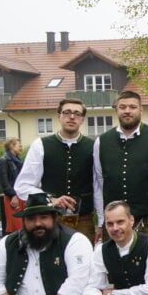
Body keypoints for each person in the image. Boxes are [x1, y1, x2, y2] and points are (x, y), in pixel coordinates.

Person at [92, 90, 148, 243]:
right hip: (114, 223)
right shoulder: (101, 142)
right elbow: (99, 181)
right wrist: (100, 220)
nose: (127, 111)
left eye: (132, 107)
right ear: (117, 110)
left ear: (141, 110)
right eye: (123, 107)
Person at [15, 98, 96, 238]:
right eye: (67, 112)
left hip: (84, 219)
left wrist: (101, 221)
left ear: (82, 119)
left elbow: (99, 184)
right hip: (51, 218)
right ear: (58, 116)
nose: (72, 117)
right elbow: (23, 185)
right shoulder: (40, 145)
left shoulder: (94, 146)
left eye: (77, 114)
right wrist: (50, 200)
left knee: (83, 258)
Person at [0, 138, 24, 234]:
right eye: (19, 145)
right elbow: (4, 182)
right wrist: (13, 195)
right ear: (11, 146)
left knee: (23, 225)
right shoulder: (3, 160)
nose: (21, 147)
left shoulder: (18, 161)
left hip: (20, 195)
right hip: (12, 197)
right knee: (16, 225)